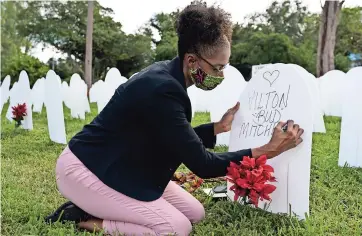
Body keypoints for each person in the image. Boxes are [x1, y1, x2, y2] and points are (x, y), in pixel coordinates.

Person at [45, 2, 304, 236]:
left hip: (122, 167)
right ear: (192, 60)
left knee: (195, 213)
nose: (221, 76)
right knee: (175, 228)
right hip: (87, 170)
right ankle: (84, 219)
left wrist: (216, 128)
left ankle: (101, 206)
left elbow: (171, 135)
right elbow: (203, 164)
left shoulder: (167, 77)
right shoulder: (161, 89)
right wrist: (268, 150)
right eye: (217, 68)